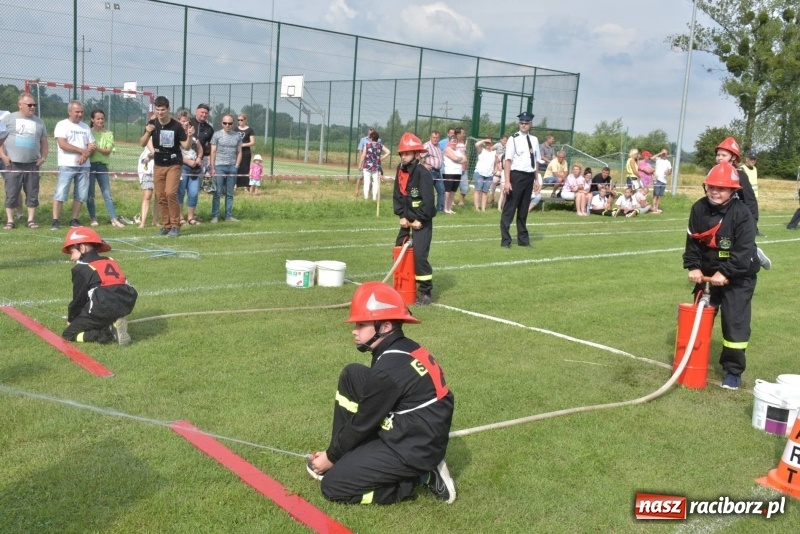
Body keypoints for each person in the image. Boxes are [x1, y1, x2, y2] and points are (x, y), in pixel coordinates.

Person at [306, 281, 455, 504]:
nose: (354, 331)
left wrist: (329, 457)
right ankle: (343, 457)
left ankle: (420, 476)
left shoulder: (388, 370)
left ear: (384, 327)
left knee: (333, 486)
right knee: (352, 375)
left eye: (361, 325)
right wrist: (336, 453)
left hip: (414, 445)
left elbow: (362, 424)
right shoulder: (400, 348)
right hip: (417, 425)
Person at [683, 162, 760, 390]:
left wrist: (725, 272)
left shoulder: (742, 214)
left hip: (739, 276)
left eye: (722, 188)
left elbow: (744, 251)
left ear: (733, 191)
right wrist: (693, 267)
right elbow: (693, 241)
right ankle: (692, 361)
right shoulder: (698, 208)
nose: (715, 192)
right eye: (712, 187)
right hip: (707, 273)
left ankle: (733, 372)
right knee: (697, 318)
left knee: (735, 323)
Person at [61, 226, 138, 345]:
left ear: (82, 247)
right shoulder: (110, 260)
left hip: (103, 305)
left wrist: (72, 319)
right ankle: (113, 320)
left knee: (68, 334)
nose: (71, 258)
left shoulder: (81, 268)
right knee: (98, 305)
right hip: (126, 303)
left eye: (72, 252)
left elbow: (79, 299)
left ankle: (107, 332)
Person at [140, 96, 193, 237]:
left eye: (163, 109)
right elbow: (142, 143)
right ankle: (166, 225)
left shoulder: (176, 126)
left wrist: (190, 136)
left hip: (174, 163)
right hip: (158, 164)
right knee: (161, 195)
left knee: (170, 193)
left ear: (168, 109)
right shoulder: (152, 123)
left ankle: (176, 225)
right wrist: (147, 132)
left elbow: (186, 146)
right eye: (157, 109)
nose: (160, 112)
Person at [393, 133, 436, 305]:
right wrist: (402, 216)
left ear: (416, 154)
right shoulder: (400, 170)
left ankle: (425, 291)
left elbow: (428, 200)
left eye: (407, 153)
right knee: (399, 250)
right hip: (407, 217)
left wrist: (420, 220)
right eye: (402, 153)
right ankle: (401, 286)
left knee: (419, 255)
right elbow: (398, 194)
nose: (404, 156)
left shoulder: (423, 173)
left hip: (422, 220)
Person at [715, 137, 770, 267]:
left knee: (735, 249)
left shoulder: (740, 175)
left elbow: (750, 201)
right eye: (718, 155)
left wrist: (752, 222)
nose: (719, 158)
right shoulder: (714, 172)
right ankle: (721, 269)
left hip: (738, 220)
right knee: (722, 250)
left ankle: (754, 254)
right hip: (719, 218)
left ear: (733, 157)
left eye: (724, 155)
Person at [2, 93, 48, 230]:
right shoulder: (8, 119)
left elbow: (44, 143)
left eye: (34, 105)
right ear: (20, 105)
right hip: (13, 163)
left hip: (32, 164)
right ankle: (10, 221)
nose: (32, 107)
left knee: (32, 192)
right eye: (30, 105)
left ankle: (31, 220)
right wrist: (3, 156)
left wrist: (43, 158)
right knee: (11, 192)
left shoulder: (39, 122)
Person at [52, 101, 96, 230]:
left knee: (81, 194)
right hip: (67, 165)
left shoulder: (85, 127)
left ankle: (74, 219)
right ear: (69, 111)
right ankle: (55, 220)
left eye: (81, 112)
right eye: (77, 112)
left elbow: (91, 144)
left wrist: (85, 155)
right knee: (61, 192)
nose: (80, 114)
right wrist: (81, 151)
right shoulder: (62, 125)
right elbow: (63, 144)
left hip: (84, 166)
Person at [500, 112, 540, 248]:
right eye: (522, 123)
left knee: (523, 210)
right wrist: (507, 181)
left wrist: (537, 180)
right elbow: (508, 161)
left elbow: (535, 161)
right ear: (519, 124)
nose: (524, 125)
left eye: (526, 123)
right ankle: (506, 240)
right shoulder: (513, 139)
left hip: (529, 176)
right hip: (516, 176)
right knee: (510, 209)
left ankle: (523, 240)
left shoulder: (534, 140)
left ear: (531, 124)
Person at [87, 109, 125, 228]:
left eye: (102, 118)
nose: (100, 121)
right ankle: (93, 218)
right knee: (90, 194)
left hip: (102, 166)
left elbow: (108, 151)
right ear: (92, 119)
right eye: (97, 118)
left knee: (107, 193)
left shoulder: (108, 134)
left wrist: (96, 148)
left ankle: (114, 218)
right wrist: (89, 150)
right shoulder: (87, 132)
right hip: (90, 166)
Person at [209, 114, 243, 222]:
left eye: (229, 123)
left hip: (232, 167)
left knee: (230, 193)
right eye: (225, 123)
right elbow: (213, 152)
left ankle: (228, 215)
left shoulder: (237, 136)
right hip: (219, 166)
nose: (227, 125)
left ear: (233, 124)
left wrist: (236, 166)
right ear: (222, 123)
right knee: (217, 192)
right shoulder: (216, 135)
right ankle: (215, 215)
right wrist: (212, 167)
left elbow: (239, 152)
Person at [176, 110, 203, 225]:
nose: (186, 123)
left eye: (187, 121)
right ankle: (180, 217)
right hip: (182, 167)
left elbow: (200, 148)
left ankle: (191, 217)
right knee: (181, 192)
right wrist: (188, 161)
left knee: (193, 192)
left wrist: (199, 158)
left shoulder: (193, 134)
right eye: (183, 121)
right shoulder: (176, 134)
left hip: (194, 168)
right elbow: (176, 153)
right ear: (179, 121)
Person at [359, 130, 389, 201]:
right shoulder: (380, 145)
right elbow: (388, 152)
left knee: (366, 182)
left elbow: (363, 155)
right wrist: (380, 159)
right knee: (375, 182)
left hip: (367, 166)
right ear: (377, 138)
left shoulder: (367, 145)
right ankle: (374, 198)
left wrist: (360, 164)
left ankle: (366, 198)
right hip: (376, 166)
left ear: (371, 138)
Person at [441, 133, 464, 214]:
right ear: (449, 142)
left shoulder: (458, 151)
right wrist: (458, 159)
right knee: (447, 191)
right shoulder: (447, 149)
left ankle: (449, 208)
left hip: (458, 173)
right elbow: (454, 158)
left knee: (453, 192)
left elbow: (465, 160)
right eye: (452, 141)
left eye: (455, 142)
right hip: (449, 173)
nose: (454, 143)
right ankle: (445, 208)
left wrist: (458, 159)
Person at [422, 131, 444, 212]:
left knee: (441, 190)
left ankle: (439, 209)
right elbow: (418, 156)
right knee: (430, 192)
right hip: (430, 171)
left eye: (437, 137)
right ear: (430, 137)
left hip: (438, 172)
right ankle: (429, 209)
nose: (435, 139)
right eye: (434, 137)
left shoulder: (439, 146)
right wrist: (424, 165)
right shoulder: (427, 146)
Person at [189, 103, 214, 175]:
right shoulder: (189, 123)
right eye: (202, 112)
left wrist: (209, 156)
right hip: (186, 158)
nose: (204, 114)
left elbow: (211, 145)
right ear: (196, 112)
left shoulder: (209, 129)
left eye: (206, 113)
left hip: (201, 159)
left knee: (198, 181)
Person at [472, 138, 495, 212]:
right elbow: (476, 144)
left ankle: (483, 208)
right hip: (479, 173)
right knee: (477, 190)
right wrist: (484, 140)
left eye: (489, 143)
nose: (487, 145)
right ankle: (476, 208)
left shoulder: (494, 153)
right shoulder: (481, 150)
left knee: (485, 192)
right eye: (486, 144)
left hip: (489, 175)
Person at [136, 145, 155, 229]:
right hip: (147, 170)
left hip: (159, 167)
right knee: (147, 195)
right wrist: (151, 155)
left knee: (159, 195)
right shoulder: (149, 137)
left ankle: (155, 221)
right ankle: (143, 222)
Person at [235, 113, 255, 190]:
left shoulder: (249, 130)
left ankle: (245, 186)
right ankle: (235, 184)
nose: (240, 121)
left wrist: (244, 145)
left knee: (245, 168)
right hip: (236, 152)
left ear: (245, 120)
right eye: (238, 120)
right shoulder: (236, 129)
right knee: (236, 167)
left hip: (246, 152)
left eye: (241, 120)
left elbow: (253, 142)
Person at [652, 149, 672, 214]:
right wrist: (660, 153)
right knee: (655, 194)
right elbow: (652, 158)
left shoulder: (668, 162)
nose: (664, 154)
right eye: (663, 153)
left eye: (665, 153)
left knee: (660, 195)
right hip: (657, 179)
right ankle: (653, 207)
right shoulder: (658, 159)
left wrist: (668, 173)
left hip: (664, 180)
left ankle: (657, 208)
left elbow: (670, 171)